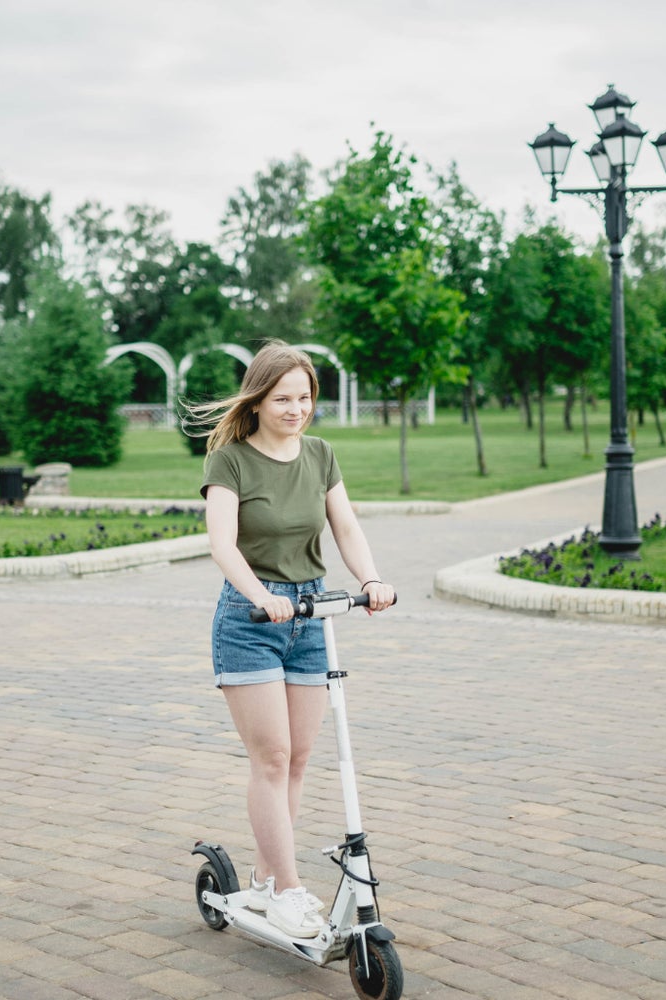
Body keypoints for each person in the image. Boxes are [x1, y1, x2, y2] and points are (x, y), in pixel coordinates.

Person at [194, 341, 395, 939]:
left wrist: (371, 579)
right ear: (257, 401)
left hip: (311, 616)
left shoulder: (321, 455)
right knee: (272, 758)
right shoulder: (229, 461)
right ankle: (286, 890)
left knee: (300, 759)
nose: (296, 408)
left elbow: (346, 525)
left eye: (304, 398)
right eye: (283, 398)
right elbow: (222, 544)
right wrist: (260, 595)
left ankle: (262, 878)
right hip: (250, 620)